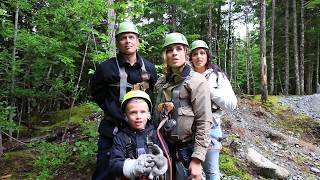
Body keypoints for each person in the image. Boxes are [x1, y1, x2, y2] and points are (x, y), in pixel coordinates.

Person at [90, 21, 158, 180]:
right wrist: (113, 110)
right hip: (112, 130)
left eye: (131, 37)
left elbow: (152, 96)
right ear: (117, 42)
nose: (128, 41)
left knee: (145, 172)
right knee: (104, 172)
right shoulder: (106, 68)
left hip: (142, 133)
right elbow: (97, 94)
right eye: (123, 38)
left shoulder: (149, 68)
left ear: (137, 41)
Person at [153, 32, 213, 180]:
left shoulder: (197, 81)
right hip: (162, 147)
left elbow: (204, 122)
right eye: (169, 50)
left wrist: (197, 159)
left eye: (179, 49)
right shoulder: (160, 83)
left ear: (185, 53)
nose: (174, 53)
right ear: (165, 55)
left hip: (187, 150)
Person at [189, 40, 237, 180]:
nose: (199, 57)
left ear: (207, 56)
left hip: (212, 128)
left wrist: (208, 90)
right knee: (191, 170)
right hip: (189, 129)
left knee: (211, 171)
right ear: (190, 57)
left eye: (202, 53)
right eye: (195, 54)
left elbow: (231, 104)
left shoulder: (217, 76)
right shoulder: (186, 75)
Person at [109, 90, 168, 179]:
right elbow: (114, 165)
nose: (138, 117)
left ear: (148, 114)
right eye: (133, 112)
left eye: (143, 112)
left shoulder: (156, 135)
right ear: (126, 116)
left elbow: (167, 157)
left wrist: (162, 164)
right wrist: (133, 167)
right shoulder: (120, 137)